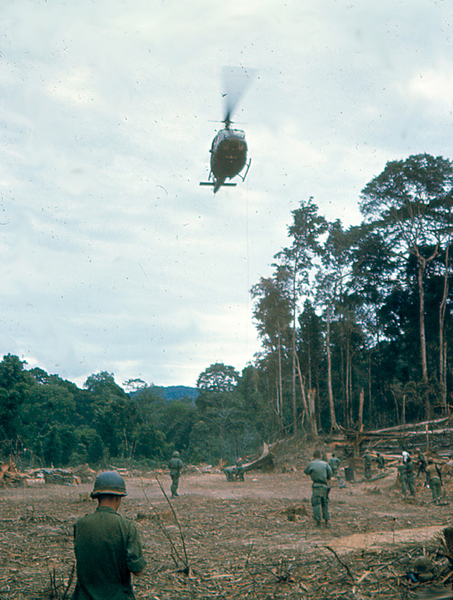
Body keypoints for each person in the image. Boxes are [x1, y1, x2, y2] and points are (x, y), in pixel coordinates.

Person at [72, 471, 146, 600]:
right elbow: (137, 570)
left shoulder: (80, 525)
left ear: (97, 497)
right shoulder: (127, 526)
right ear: (118, 498)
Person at [304, 449, 332, 528]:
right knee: (325, 503)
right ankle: (327, 521)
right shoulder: (325, 464)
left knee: (316, 504)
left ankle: (318, 522)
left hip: (316, 486)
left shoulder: (311, 464)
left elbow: (306, 472)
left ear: (313, 456)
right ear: (320, 456)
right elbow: (330, 473)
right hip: (324, 486)